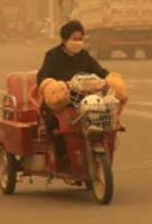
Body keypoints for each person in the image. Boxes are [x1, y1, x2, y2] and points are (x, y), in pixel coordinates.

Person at [36, 20, 110, 166]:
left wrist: (109, 79)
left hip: (84, 101)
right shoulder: (53, 55)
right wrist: (53, 85)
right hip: (61, 103)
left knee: (104, 119)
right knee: (54, 123)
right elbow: (42, 76)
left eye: (80, 39)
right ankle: (64, 155)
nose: (78, 42)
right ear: (64, 40)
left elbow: (101, 72)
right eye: (74, 39)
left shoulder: (84, 56)